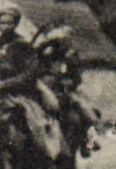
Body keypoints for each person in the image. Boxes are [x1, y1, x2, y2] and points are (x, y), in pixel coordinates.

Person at [0, 3, 61, 163]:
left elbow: (30, 74)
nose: (6, 26)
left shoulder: (23, 46)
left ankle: (42, 166)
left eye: (10, 22)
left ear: (16, 24)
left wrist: (5, 84)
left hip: (19, 94)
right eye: (2, 22)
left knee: (35, 126)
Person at [34, 25, 102, 155]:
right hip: (44, 90)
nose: (59, 44)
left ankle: (89, 141)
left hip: (66, 92)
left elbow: (77, 77)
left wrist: (69, 82)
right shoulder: (42, 56)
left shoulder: (70, 56)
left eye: (63, 41)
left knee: (90, 113)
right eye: (56, 41)